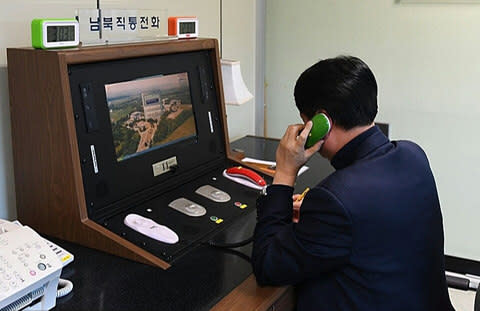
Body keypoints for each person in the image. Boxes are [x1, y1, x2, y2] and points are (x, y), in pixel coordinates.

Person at [251, 56, 454, 311]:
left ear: (322, 123)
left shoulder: (334, 199)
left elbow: (268, 266)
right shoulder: (413, 155)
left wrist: (284, 172)